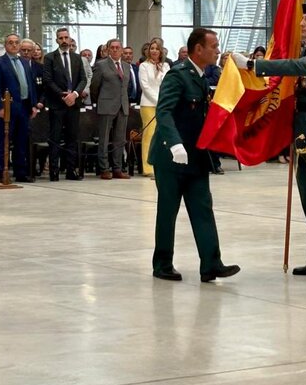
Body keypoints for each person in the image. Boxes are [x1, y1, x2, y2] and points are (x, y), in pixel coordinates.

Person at [233, 0, 306, 281]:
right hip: (305, 128)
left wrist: (252, 64)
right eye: (302, 19)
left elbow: (298, 66)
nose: (301, 24)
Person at [150, 27, 240, 284]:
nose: (217, 50)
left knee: (203, 209)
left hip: (196, 156)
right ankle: (162, 264)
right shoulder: (177, 75)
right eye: (213, 46)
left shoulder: (201, 77)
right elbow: (164, 111)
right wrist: (174, 144)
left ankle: (211, 264)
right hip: (171, 157)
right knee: (167, 210)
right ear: (198, 49)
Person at [0, 33, 38, 183]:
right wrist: (0, 107)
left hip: (24, 107)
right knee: (5, 140)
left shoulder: (24, 62)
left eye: (17, 42)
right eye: (11, 42)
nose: (14, 45)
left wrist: (33, 105)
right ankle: (2, 172)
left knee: (21, 141)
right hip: (8, 107)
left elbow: (31, 85)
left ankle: (20, 172)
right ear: (5, 45)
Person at [42, 27, 86, 181]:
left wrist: (74, 95)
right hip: (57, 104)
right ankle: (54, 171)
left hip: (73, 104)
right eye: (61, 38)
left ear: (70, 39)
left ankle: (70, 170)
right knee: (55, 137)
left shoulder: (76, 58)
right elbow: (47, 80)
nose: (64, 41)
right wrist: (63, 95)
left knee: (72, 138)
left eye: (66, 37)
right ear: (56, 40)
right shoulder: (49, 58)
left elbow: (83, 79)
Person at [90, 38, 133, 180]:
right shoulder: (101, 65)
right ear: (108, 50)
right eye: (112, 47)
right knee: (104, 138)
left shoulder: (126, 66)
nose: (115, 50)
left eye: (117, 47)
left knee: (120, 139)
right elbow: (94, 87)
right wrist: (100, 101)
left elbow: (126, 86)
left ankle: (117, 168)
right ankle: (104, 168)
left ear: (121, 50)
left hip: (122, 106)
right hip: (106, 105)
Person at [138, 39, 170, 177]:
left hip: (164, 104)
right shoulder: (143, 66)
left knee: (163, 135)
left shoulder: (166, 66)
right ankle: (148, 167)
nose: (154, 51)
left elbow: (168, 84)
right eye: (152, 48)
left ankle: (162, 165)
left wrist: (165, 101)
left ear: (161, 51)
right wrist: (158, 102)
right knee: (150, 135)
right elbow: (145, 86)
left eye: (157, 48)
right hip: (148, 104)